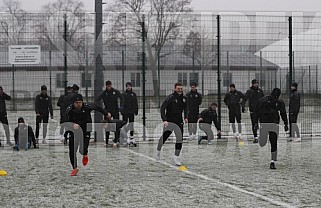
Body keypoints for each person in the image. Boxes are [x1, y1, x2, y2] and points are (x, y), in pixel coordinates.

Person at [65, 94, 109, 176]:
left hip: (86, 130)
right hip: (74, 132)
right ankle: (75, 168)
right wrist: (72, 125)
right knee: (72, 150)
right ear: (73, 103)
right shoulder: (69, 110)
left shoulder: (87, 106)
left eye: (80, 102)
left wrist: (106, 113)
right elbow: (65, 122)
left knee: (82, 150)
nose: (78, 104)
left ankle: (85, 154)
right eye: (77, 102)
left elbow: (98, 107)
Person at [254, 88, 288, 169]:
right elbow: (256, 111)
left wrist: (286, 123)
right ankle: (261, 139)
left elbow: (283, 113)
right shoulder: (263, 101)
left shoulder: (279, 102)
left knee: (273, 142)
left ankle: (272, 161)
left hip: (274, 124)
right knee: (263, 142)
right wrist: (255, 123)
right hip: (264, 123)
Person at [156, 83, 188, 166]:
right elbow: (162, 108)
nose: (180, 90)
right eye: (178, 89)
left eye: (181, 88)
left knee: (179, 138)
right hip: (170, 121)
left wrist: (186, 117)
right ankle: (158, 151)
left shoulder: (184, 98)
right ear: (175, 89)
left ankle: (176, 156)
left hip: (179, 121)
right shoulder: (170, 97)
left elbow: (186, 108)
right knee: (165, 137)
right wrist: (164, 120)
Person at [96, 81, 123, 145]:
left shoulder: (115, 91)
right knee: (107, 126)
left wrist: (120, 107)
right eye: (108, 86)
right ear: (106, 86)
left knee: (116, 125)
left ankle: (117, 139)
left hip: (115, 111)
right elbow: (97, 100)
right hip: (107, 112)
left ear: (111, 85)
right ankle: (107, 141)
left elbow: (122, 98)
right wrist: (103, 110)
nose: (109, 87)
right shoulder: (104, 93)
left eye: (110, 85)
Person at [242, 79, 264, 143]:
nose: (256, 84)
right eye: (255, 83)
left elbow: (263, 99)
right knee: (254, 124)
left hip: (260, 110)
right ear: (252, 84)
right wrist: (243, 106)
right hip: (253, 110)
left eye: (257, 83)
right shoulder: (249, 91)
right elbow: (245, 99)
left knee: (262, 123)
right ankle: (255, 137)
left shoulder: (260, 91)